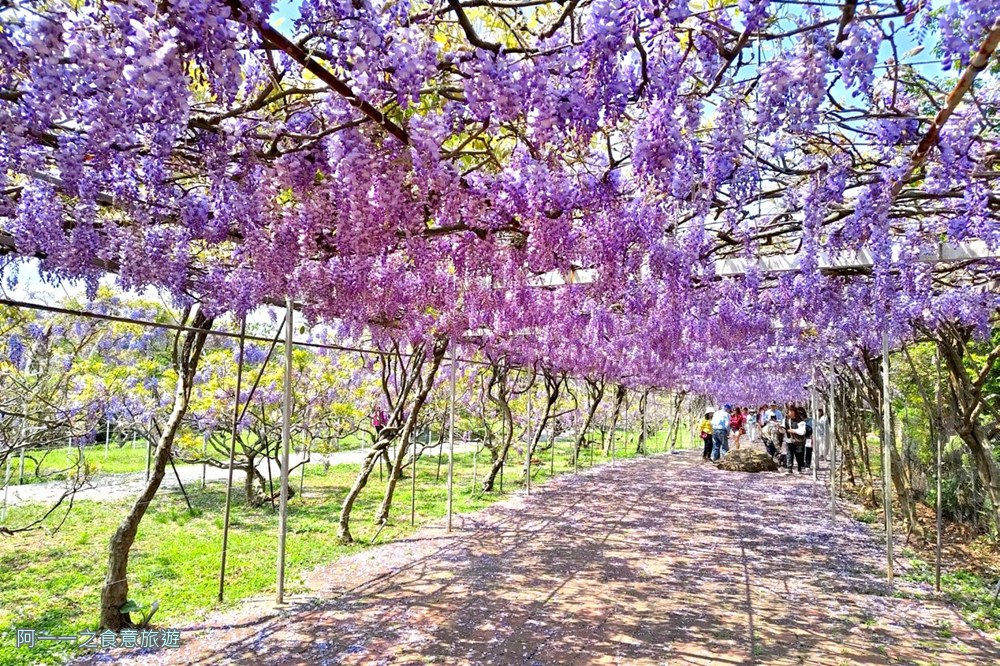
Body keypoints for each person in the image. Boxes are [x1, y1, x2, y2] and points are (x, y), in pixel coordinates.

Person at [784, 406, 808, 474]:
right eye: (789, 412)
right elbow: (784, 428)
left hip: (798, 440)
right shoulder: (786, 420)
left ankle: (799, 468)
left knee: (799, 455)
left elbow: (802, 431)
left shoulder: (800, 421)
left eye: (791, 411)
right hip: (789, 440)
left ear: (795, 412)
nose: (790, 413)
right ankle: (789, 468)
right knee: (789, 454)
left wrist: (794, 431)